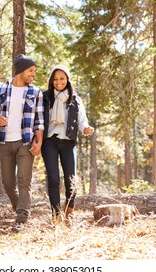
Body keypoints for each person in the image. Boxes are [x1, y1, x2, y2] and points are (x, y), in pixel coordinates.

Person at [0, 54, 44, 229]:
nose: (33, 74)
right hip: (5, 141)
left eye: (34, 71)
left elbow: (39, 121)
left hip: (25, 141)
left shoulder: (35, 92)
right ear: (20, 71)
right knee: (7, 182)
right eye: (30, 70)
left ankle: (22, 216)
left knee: (24, 179)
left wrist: (39, 142)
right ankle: (19, 207)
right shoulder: (1, 89)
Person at [39, 64, 94, 226]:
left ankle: (69, 211)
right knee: (54, 179)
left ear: (67, 79)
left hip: (68, 141)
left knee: (71, 180)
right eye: (55, 79)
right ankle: (56, 215)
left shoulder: (75, 99)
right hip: (50, 141)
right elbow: (38, 119)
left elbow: (82, 120)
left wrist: (86, 129)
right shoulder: (45, 97)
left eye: (62, 78)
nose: (58, 82)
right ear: (51, 81)